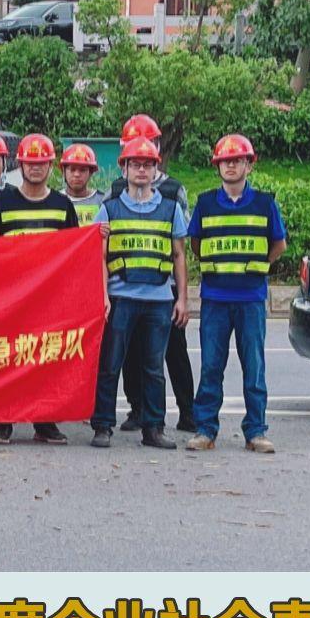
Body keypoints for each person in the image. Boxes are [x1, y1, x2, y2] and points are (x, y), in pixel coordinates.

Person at [186, 134, 287, 454]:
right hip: (215, 298)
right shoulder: (205, 203)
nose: (230, 166)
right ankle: (205, 430)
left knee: (254, 368)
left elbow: (279, 244)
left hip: (250, 298)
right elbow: (196, 244)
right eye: (225, 161)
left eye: (237, 160)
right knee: (210, 368)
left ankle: (256, 431)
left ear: (249, 165)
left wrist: (258, 266)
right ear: (217, 166)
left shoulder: (265, 204)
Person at [90, 137, 189, 451]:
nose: (142, 170)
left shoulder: (171, 209)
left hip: (159, 300)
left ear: (155, 168)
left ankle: (153, 428)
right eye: (135, 164)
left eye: (147, 164)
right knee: (110, 365)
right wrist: (103, 296)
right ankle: (103, 425)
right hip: (121, 297)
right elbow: (98, 257)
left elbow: (179, 256)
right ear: (125, 169)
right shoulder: (108, 209)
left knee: (153, 369)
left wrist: (182, 299)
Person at [0, 134, 79, 445]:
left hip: (49, 297)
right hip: (10, 296)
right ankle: (3, 421)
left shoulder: (62, 205)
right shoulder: (2, 202)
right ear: (19, 165)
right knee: (6, 355)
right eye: (30, 163)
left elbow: (75, 250)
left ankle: (44, 421)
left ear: (50, 166)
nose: (35, 168)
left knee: (46, 358)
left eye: (41, 163)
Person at [106, 114, 196, 433]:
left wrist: (182, 295)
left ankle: (187, 411)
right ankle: (137, 409)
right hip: (128, 281)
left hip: (163, 284)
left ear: (157, 147)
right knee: (130, 353)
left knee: (173, 351)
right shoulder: (118, 187)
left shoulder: (173, 189)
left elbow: (180, 243)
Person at [60, 142, 107, 224]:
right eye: (72, 169)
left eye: (82, 170)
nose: (77, 174)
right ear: (63, 171)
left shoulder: (103, 201)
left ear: (91, 172)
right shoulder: (55, 201)